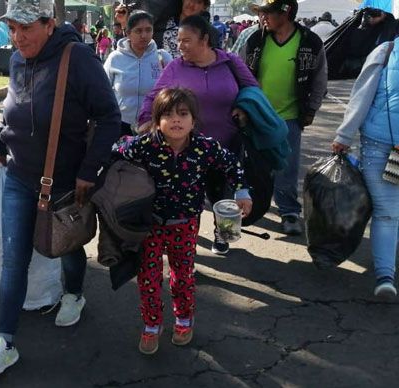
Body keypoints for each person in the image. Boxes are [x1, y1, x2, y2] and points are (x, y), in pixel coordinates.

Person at [0, 0, 120, 376]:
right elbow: (14, 107)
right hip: (19, 177)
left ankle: (74, 293)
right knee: (14, 260)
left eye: (26, 28)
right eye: (12, 28)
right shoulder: (19, 58)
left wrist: (89, 170)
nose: (17, 36)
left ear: (49, 24)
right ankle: (4, 341)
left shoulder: (78, 58)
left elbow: (109, 116)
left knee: (66, 245)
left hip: (65, 181)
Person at [113, 88, 252, 354]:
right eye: (167, 115)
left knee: (182, 277)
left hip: (186, 224)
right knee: (149, 279)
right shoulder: (145, 145)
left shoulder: (204, 147)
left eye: (183, 114)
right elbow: (116, 151)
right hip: (151, 225)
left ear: (193, 120)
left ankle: (184, 320)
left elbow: (232, 164)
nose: (176, 120)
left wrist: (242, 190)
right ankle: (152, 325)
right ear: (156, 120)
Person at [138, 15, 259, 255]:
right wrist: (144, 121)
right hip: (188, 148)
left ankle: (222, 234)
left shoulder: (230, 63)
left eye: (186, 41)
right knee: (190, 198)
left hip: (227, 142)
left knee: (222, 194)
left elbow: (253, 89)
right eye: (179, 41)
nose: (180, 46)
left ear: (204, 39)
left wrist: (244, 108)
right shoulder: (175, 67)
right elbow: (154, 96)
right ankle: (186, 242)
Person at [240, 0, 327, 235]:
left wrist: (311, 109)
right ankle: (250, 208)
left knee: (286, 167)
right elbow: (238, 72)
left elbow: (320, 79)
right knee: (252, 166)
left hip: (289, 117)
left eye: (267, 12)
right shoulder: (255, 40)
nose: (263, 17)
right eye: (261, 13)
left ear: (286, 13)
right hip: (256, 116)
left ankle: (289, 212)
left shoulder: (309, 42)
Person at [331, 37, 399, 298]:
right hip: (380, 147)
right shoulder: (386, 50)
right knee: (387, 212)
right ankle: (385, 275)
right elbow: (362, 94)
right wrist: (344, 135)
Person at [103, 10, 173, 136]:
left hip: (154, 125)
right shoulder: (115, 58)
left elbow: (174, 90)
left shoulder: (163, 57)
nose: (144, 35)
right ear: (128, 33)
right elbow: (102, 90)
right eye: (138, 31)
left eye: (148, 30)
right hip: (120, 125)